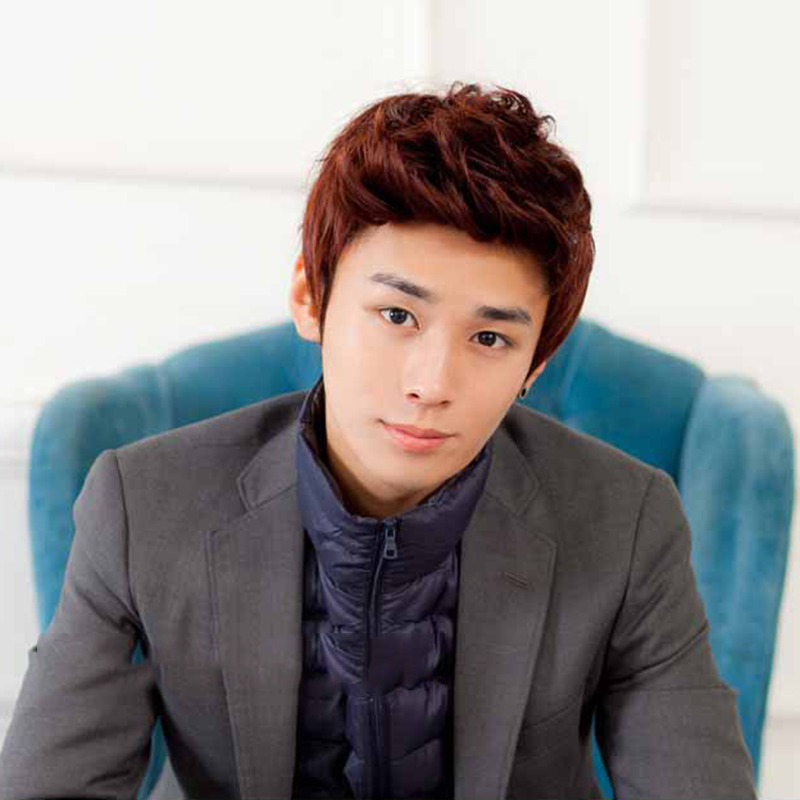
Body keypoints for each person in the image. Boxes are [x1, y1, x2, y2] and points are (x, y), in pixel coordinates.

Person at [0, 82, 757, 799]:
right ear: (310, 296)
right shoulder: (143, 504)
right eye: (398, 316)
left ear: (536, 363)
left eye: (490, 338)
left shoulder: (628, 522)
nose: (432, 382)